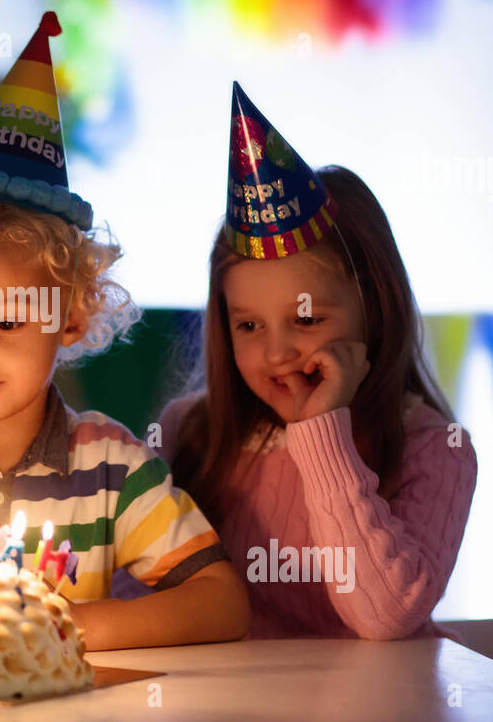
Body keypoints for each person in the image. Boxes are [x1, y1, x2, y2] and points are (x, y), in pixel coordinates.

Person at [0, 14, 251, 651]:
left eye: (6, 319)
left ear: (71, 317)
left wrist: (76, 627)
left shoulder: (111, 466)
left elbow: (222, 604)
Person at [159, 82, 476, 640]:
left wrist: (322, 436)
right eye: (249, 325)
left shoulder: (435, 450)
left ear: (374, 308)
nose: (277, 352)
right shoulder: (188, 435)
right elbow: (146, 600)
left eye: (306, 320)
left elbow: (387, 616)